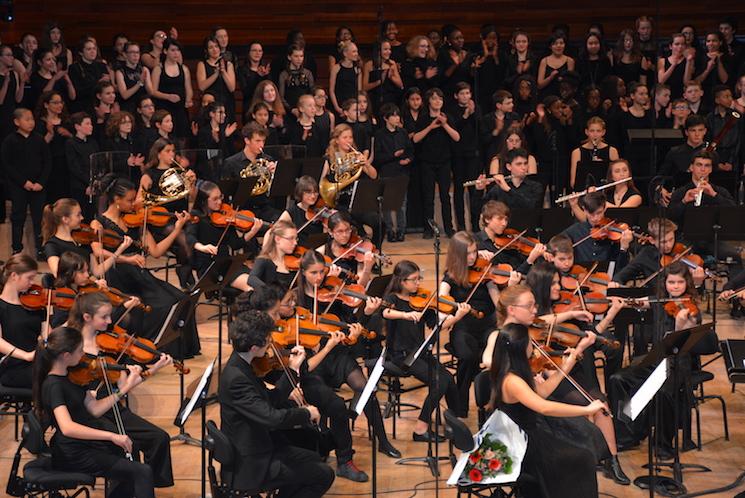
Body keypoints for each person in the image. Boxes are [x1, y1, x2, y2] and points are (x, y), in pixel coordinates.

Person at [294, 250, 398, 475]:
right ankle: (332, 452)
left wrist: (367, 314)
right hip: (314, 361)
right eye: (313, 273)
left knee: (366, 389)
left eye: (322, 272)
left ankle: (382, 440)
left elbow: (352, 327)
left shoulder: (336, 292)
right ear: (302, 273)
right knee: (329, 403)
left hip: (338, 355)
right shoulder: (296, 298)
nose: (319, 277)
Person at [218, 310, 335, 496]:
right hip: (252, 463)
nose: (271, 342)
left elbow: (268, 400)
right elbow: (272, 418)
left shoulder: (242, 365)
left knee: (313, 457)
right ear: (254, 347)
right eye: (267, 338)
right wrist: (307, 413)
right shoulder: (237, 378)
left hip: (259, 445)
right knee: (324, 475)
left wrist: (293, 369)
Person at [486, 318, 606, 497]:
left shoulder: (513, 370)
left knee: (583, 439)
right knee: (582, 457)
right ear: (521, 348)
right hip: (522, 442)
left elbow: (541, 392)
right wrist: (587, 410)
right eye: (530, 343)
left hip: (527, 431)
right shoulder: (512, 381)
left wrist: (569, 362)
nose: (533, 347)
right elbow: (544, 407)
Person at [33, 326, 156, 498]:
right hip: (73, 451)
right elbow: (67, 428)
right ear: (66, 356)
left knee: (131, 455)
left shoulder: (72, 376)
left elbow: (95, 408)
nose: (83, 354)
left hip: (86, 443)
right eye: (79, 350)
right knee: (142, 471)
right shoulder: (54, 385)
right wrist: (111, 436)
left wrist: (126, 387)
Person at [67, 292, 174, 488]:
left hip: (115, 407)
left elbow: (124, 385)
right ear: (86, 317)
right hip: (92, 414)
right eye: (104, 317)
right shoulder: (73, 350)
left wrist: (155, 368)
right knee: (127, 448)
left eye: (110, 316)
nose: (110, 321)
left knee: (159, 438)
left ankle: (147, 485)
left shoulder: (107, 346)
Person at [90, 174, 199, 357]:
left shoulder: (135, 220)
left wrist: (178, 227)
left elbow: (155, 251)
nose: (134, 204)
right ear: (116, 200)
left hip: (138, 276)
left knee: (182, 299)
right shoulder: (98, 223)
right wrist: (127, 258)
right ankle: (153, 349)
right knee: (164, 306)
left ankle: (183, 350)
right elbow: (98, 252)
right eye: (130, 200)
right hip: (118, 277)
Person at [607, 262, 706, 456]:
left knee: (661, 391)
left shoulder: (691, 310)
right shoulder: (660, 300)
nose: (675, 286)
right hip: (655, 361)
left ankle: (662, 443)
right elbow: (642, 301)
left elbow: (680, 345)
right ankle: (629, 434)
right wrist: (624, 301)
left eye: (679, 282)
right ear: (665, 283)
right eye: (671, 282)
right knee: (617, 379)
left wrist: (680, 323)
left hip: (677, 365)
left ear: (687, 283)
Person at [382, 260, 469, 440]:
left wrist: (458, 316)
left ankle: (454, 421)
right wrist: (405, 314)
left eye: (418, 279)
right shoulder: (392, 299)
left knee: (448, 378)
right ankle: (420, 428)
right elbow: (385, 313)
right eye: (413, 280)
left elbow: (439, 325)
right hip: (401, 355)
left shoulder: (422, 301)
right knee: (439, 382)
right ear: (401, 281)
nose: (418, 283)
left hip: (419, 352)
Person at [187, 181, 261, 292]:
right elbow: (189, 237)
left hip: (227, 264)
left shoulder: (225, 215)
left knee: (258, 282)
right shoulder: (196, 216)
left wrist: (253, 231)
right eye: (215, 199)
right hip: (210, 267)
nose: (220, 202)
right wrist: (202, 247)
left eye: (220, 197)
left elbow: (235, 244)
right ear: (204, 200)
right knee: (251, 288)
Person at [320, 123, 381, 247]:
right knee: (356, 227)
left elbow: (374, 176)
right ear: (336, 140)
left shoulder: (356, 157)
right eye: (345, 137)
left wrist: (366, 164)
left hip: (357, 203)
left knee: (378, 222)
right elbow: (322, 183)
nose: (349, 140)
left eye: (351, 137)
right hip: (339, 203)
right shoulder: (329, 159)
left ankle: (375, 250)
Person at [2, 108, 51, 256]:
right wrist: (24, 182)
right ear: (17, 122)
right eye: (27, 119)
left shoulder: (39, 139)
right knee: (18, 216)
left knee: (39, 218)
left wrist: (40, 182)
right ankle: (17, 248)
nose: (31, 122)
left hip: (38, 186)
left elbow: (47, 162)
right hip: (19, 186)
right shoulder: (10, 140)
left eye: (32, 119)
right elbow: (6, 164)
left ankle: (41, 249)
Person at [413, 88, 460, 238]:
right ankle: (429, 229)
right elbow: (415, 139)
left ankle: (448, 227)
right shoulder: (423, 118)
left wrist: (444, 124)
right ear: (429, 101)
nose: (437, 101)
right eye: (434, 98)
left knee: (446, 197)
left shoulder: (448, 118)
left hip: (444, 162)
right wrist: (431, 127)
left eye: (440, 98)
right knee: (428, 197)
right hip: (427, 162)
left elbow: (457, 138)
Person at [222, 122, 280, 222]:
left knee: (282, 221)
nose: (261, 145)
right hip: (242, 209)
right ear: (247, 140)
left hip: (264, 207)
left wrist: (274, 174)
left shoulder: (268, 160)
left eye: (263, 141)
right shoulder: (231, 163)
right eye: (257, 141)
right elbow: (227, 193)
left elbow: (274, 189)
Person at [0, 254, 43, 388]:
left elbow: (47, 333)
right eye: (29, 278)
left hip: (38, 362)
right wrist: (26, 356)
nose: (32, 283)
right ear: (14, 276)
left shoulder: (36, 303)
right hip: (13, 367)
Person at [373, 103, 413, 242]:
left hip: (401, 172)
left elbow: (410, 150)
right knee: (387, 204)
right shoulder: (380, 135)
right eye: (394, 116)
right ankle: (390, 231)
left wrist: (408, 159)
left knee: (402, 203)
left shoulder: (402, 132)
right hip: (387, 172)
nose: (397, 118)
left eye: (398, 115)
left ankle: (401, 230)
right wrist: (394, 155)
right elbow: (378, 157)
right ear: (386, 118)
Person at [563, 191, 632, 264]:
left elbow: (622, 266)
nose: (596, 218)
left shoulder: (613, 234)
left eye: (599, 213)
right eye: (591, 214)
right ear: (584, 210)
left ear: (605, 208)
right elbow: (556, 242)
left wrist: (624, 248)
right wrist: (550, 251)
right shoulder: (575, 230)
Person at [667, 149, 735, 224]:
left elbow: (734, 212)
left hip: (714, 234)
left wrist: (714, 195)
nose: (703, 169)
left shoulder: (720, 191)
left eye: (707, 165)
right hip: (686, 234)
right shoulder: (681, 192)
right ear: (691, 167)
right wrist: (684, 201)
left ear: (711, 169)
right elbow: (670, 217)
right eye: (699, 165)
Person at [659, 114, 708, 202]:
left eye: (700, 130)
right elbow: (660, 177)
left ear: (705, 131)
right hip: (679, 197)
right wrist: (661, 189)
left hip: (706, 196)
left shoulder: (710, 153)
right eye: (693, 130)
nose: (697, 134)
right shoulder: (674, 152)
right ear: (686, 132)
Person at [151, 38, 193, 139]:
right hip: (164, 108)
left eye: (178, 50)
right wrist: (168, 96)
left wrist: (188, 99)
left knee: (182, 137)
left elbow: (189, 89)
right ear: (165, 51)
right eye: (173, 50)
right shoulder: (158, 69)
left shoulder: (184, 68)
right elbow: (153, 91)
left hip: (180, 108)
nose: (176, 53)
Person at [64, 112, 98, 219]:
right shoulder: (71, 143)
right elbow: (74, 167)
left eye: (91, 124)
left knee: (92, 215)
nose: (91, 126)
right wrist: (88, 183)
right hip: (79, 187)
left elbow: (97, 164)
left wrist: (94, 183)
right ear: (77, 126)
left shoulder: (93, 143)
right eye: (87, 124)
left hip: (93, 186)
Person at [569, 116, 619, 190]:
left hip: (606, 192)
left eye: (598, 131)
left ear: (603, 132)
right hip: (584, 193)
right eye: (592, 131)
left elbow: (617, 179)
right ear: (586, 132)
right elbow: (573, 182)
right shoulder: (577, 152)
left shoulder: (612, 151)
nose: (595, 134)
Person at [248, 220, 298, 291]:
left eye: (296, 238)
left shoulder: (294, 263)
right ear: (277, 239)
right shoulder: (264, 260)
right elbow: (251, 279)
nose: (295, 243)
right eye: (291, 238)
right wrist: (270, 293)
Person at [196, 36, 236, 122]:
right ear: (206, 50)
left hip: (226, 102)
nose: (214, 49)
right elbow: (201, 86)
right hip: (210, 103)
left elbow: (232, 88)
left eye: (216, 46)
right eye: (211, 47)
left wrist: (223, 71)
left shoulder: (228, 64)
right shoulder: (202, 64)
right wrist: (216, 74)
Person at [68, 37, 113, 113]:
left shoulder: (101, 65)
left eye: (94, 49)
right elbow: (78, 92)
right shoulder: (74, 68)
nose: (92, 51)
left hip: (101, 105)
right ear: (81, 52)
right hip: (83, 106)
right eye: (89, 49)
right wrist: (98, 82)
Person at [705, 85, 741, 172]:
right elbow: (708, 139)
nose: (730, 99)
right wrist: (717, 162)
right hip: (716, 157)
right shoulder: (710, 118)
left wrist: (731, 162)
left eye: (730, 96)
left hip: (733, 159)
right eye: (726, 96)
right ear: (717, 100)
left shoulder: (737, 116)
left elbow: (739, 141)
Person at [363, 40, 403, 113]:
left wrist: (391, 77)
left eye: (389, 49)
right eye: (385, 49)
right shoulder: (369, 65)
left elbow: (400, 84)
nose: (389, 52)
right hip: (375, 100)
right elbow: (364, 87)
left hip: (390, 99)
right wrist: (379, 81)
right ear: (378, 51)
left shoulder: (392, 63)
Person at [114, 42, 152, 114]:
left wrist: (146, 80)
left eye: (137, 52)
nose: (135, 55)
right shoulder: (120, 72)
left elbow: (150, 92)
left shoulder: (144, 69)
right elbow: (124, 95)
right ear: (125, 54)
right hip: (128, 107)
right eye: (132, 52)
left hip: (143, 108)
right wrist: (140, 83)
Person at [537, 34, 575, 99]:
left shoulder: (570, 61)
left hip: (564, 97)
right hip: (547, 97)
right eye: (555, 43)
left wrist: (563, 80)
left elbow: (571, 84)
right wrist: (550, 77)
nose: (558, 46)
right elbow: (539, 85)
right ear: (550, 46)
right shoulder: (544, 61)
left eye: (561, 43)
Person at [657, 33, 694, 99]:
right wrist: (673, 65)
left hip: (681, 96)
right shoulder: (662, 61)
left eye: (682, 44)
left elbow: (686, 82)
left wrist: (688, 62)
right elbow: (661, 81)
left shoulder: (689, 60)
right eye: (677, 44)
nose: (680, 47)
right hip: (666, 96)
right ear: (671, 46)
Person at [329, 41, 361, 116]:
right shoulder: (336, 68)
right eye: (354, 51)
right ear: (345, 53)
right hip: (339, 104)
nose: (356, 54)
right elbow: (331, 90)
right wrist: (337, 107)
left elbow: (359, 90)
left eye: (357, 51)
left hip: (353, 105)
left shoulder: (357, 69)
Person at [278, 44, 314, 110]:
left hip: (306, 110)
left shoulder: (308, 73)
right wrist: (291, 109)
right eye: (296, 56)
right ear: (289, 57)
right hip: (289, 110)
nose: (299, 59)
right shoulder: (284, 74)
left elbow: (312, 93)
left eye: (301, 56)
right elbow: (281, 97)